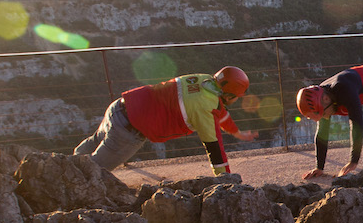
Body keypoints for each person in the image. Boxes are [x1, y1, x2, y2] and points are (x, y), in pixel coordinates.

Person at [74, 67, 255, 173]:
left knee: (90, 146)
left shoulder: (203, 81)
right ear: (229, 94)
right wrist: (228, 183)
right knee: (94, 173)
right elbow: (215, 149)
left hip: (118, 108)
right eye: (238, 95)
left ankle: (64, 165)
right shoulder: (205, 110)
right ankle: (62, 189)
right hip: (129, 131)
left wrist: (236, 132)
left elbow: (220, 112)